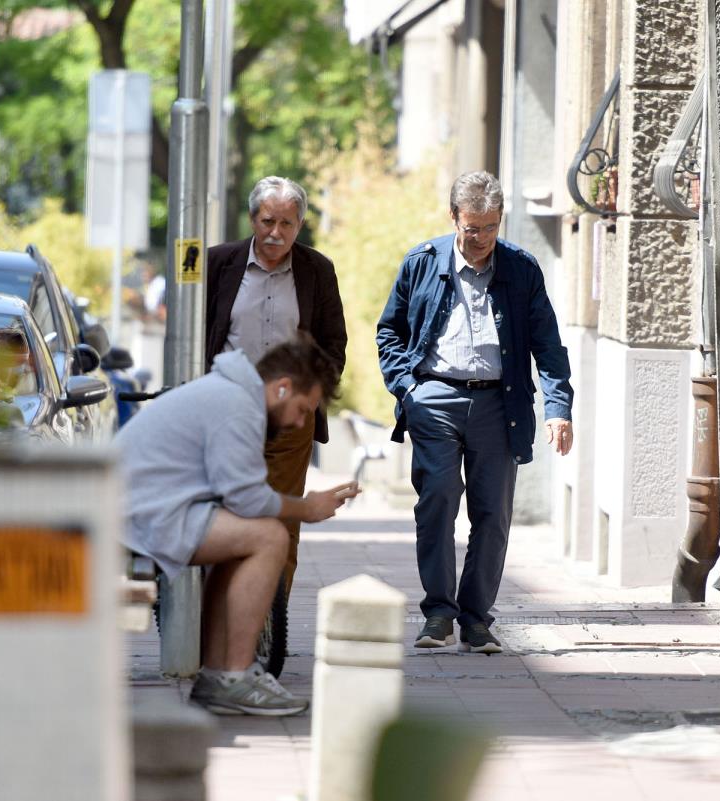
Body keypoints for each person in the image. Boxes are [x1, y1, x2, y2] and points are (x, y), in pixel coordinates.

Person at [376, 170, 575, 655]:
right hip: (435, 399)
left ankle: (477, 619)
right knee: (438, 499)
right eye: (472, 228)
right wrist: (408, 392)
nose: (482, 238)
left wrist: (558, 407)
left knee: (493, 513)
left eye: (491, 227)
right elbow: (390, 333)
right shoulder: (422, 262)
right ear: (454, 218)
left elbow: (548, 344)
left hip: (499, 403)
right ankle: (438, 614)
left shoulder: (521, 269)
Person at [116, 336, 358, 715]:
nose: (298, 423)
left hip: (138, 512)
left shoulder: (231, 395)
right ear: (282, 387)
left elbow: (240, 498)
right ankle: (233, 676)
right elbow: (245, 498)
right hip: (138, 518)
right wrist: (307, 507)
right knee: (270, 537)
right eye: (300, 410)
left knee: (250, 535)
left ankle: (219, 676)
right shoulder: (237, 406)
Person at [205, 176, 347, 599]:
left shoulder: (316, 270)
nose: (275, 232)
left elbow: (333, 342)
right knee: (226, 513)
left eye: (287, 223)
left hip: (288, 420)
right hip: (225, 414)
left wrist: (311, 396)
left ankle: (269, 621)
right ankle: (218, 612)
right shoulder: (217, 264)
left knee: (281, 519)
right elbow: (194, 334)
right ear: (252, 219)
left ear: (300, 224)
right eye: (268, 221)